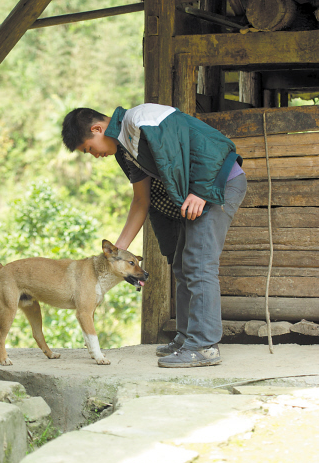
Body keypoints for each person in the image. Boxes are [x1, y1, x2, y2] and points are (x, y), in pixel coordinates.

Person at [61, 103, 247, 368]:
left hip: (219, 184)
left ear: (98, 129)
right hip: (200, 192)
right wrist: (117, 254)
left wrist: (202, 191)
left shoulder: (142, 120)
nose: (94, 155)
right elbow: (140, 202)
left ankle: (204, 347)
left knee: (199, 263)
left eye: (89, 148)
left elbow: (215, 145)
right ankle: (187, 339)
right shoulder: (126, 150)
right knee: (183, 265)